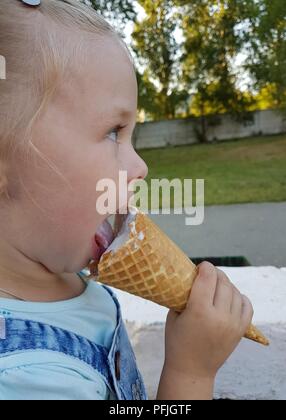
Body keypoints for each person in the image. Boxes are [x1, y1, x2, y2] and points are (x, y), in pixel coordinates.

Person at [0, 0, 253, 400]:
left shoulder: (59, 267)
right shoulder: (28, 377)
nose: (141, 167)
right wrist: (191, 372)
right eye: (114, 131)